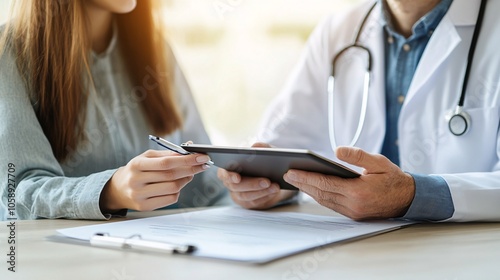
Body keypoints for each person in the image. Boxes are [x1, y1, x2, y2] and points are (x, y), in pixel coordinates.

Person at [218, 0, 500, 222]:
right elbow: (280, 144)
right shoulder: (337, 30)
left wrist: (413, 195)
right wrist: (265, 187)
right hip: (353, 253)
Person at [0, 0, 227, 220]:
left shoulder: (157, 49)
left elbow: (206, 185)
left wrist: (245, 193)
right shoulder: (8, 53)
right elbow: (17, 194)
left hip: (164, 253)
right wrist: (110, 191)